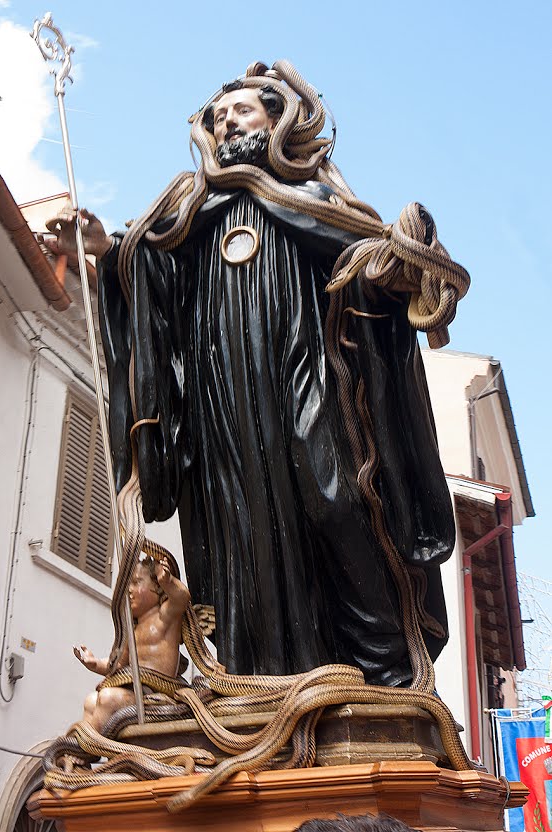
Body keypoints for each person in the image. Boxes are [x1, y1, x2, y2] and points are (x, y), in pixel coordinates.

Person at [47, 61, 466, 687]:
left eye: (242, 111)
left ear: (278, 121)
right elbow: (150, 285)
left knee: (338, 504)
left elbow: (367, 268)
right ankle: (254, 675)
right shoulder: (188, 212)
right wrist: (112, 255)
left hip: (307, 379)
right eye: (219, 117)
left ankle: (383, 670)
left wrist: (399, 262)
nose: (228, 122)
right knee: (236, 528)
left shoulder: (316, 200)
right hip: (224, 402)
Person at [74, 556, 189, 733]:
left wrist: (168, 581)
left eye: (136, 582)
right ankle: (85, 749)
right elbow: (119, 664)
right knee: (90, 701)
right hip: (133, 691)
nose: (129, 589)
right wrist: (94, 663)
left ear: (157, 587)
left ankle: (92, 745)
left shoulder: (164, 617)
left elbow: (182, 597)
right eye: (128, 584)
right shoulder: (131, 630)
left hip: (156, 694)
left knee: (107, 698)